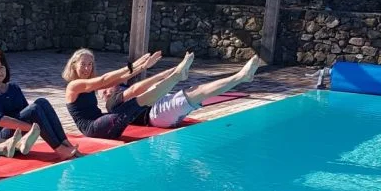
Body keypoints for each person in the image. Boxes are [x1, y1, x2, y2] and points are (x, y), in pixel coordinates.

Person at [62, 48, 193, 140]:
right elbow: (104, 79)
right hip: (93, 129)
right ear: (73, 66)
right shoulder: (73, 86)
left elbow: (117, 80)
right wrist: (133, 65)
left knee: (137, 102)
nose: (87, 68)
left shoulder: (88, 83)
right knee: (135, 103)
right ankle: (176, 76)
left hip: (104, 127)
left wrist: (142, 67)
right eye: (83, 64)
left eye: (90, 64)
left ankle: (176, 74)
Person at [104, 54, 263, 128]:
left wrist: (173, 71)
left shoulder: (120, 91)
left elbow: (140, 87)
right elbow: (135, 89)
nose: (105, 92)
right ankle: (242, 76)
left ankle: (242, 77)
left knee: (196, 91)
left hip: (160, 106)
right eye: (103, 91)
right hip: (155, 115)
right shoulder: (112, 104)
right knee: (197, 93)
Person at [0, 49, 80, 160]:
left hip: (16, 133)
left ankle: (66, 144)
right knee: (34, 109)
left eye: (1, 67)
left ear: (6, 69)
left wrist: (34, 127)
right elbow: (0, 120)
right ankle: (60, 149)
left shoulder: (13, 88)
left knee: (42, 102)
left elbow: (27, 112)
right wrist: (32, 128)